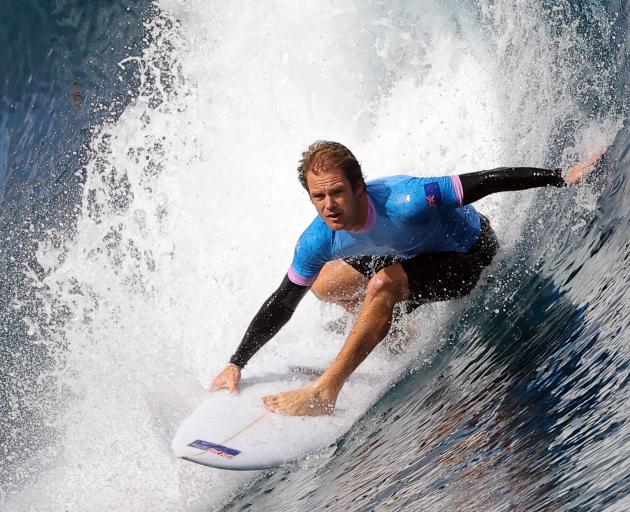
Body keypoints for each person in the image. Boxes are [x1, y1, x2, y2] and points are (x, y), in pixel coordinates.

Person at [211, 141, 604, 416]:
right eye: (318, 196)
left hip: (466, 254)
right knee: (322, 283)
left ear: (359, 187)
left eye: (337, 192)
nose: (329, 205)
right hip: (408, 256)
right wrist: (237, 362)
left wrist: (563, 176)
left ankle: (326, 391)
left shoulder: (408, 199)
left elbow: (486, 181)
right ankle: (393, 330)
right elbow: (284, 300)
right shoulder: (320, 237)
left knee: (382, 284)